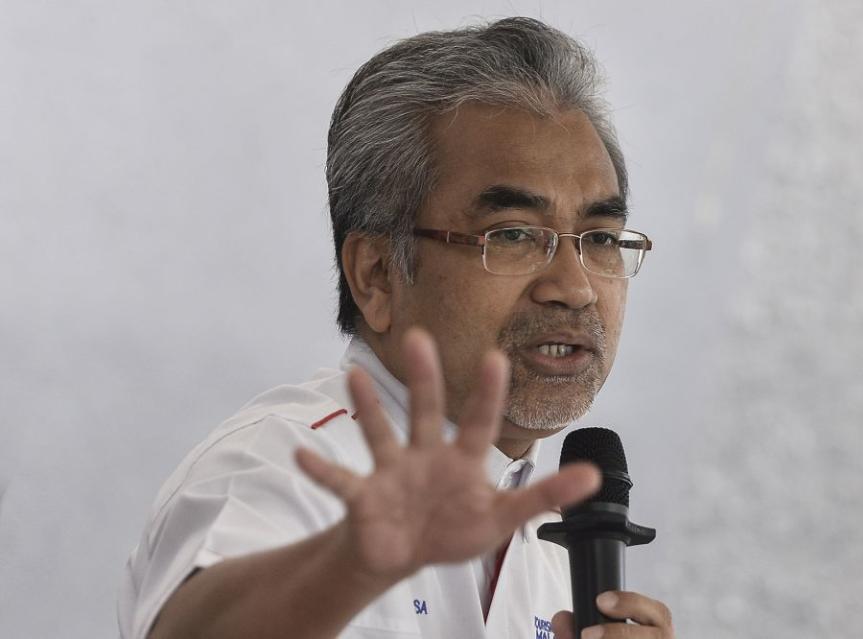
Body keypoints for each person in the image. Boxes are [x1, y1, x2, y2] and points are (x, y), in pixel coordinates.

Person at [119, 16, 672, 639]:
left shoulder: (552, 570)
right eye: (513, 234)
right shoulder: (285, 467)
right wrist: (352, 563)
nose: (574, 288)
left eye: (599, 238)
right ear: (377, 274)